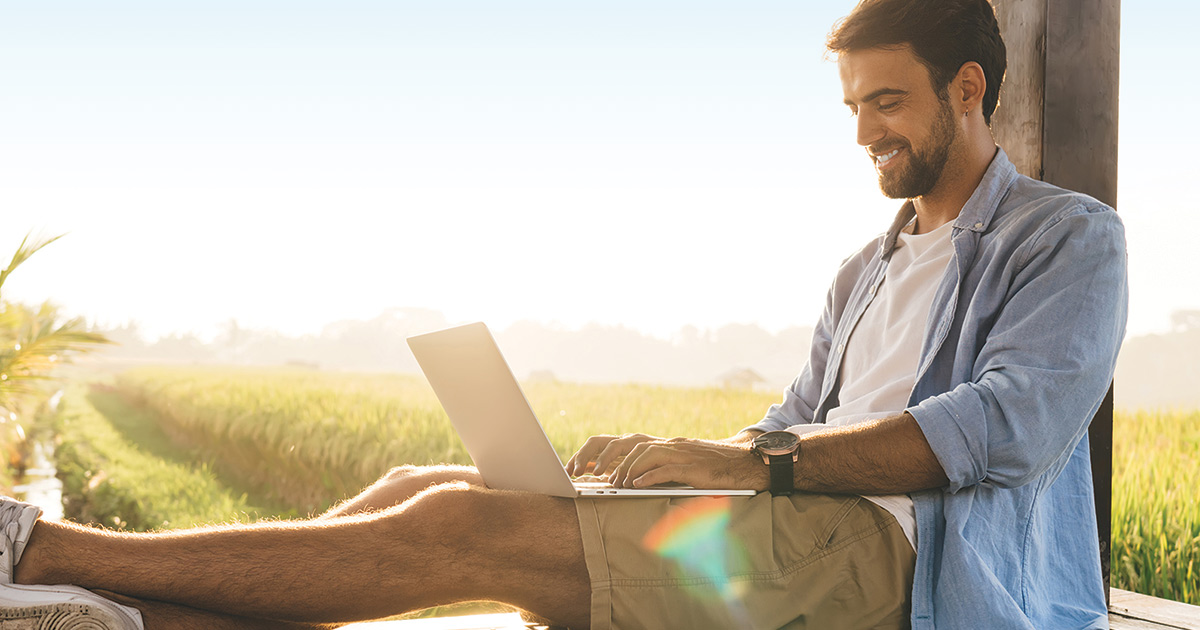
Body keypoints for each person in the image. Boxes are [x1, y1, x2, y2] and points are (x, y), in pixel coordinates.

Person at [0, 0, 1127, 628]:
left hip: (904, 563)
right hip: (802, 528)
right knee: (424, 489)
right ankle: (130, 614)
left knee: (467, 534)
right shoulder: (869, 268)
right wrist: (690, 463)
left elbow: (1004, 429)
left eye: (888, 101)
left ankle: (50, 547)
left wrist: (755, 466)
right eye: (852, 106)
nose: (864, 132)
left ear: (969, 89)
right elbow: (796, 416)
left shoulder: (1068, 239)